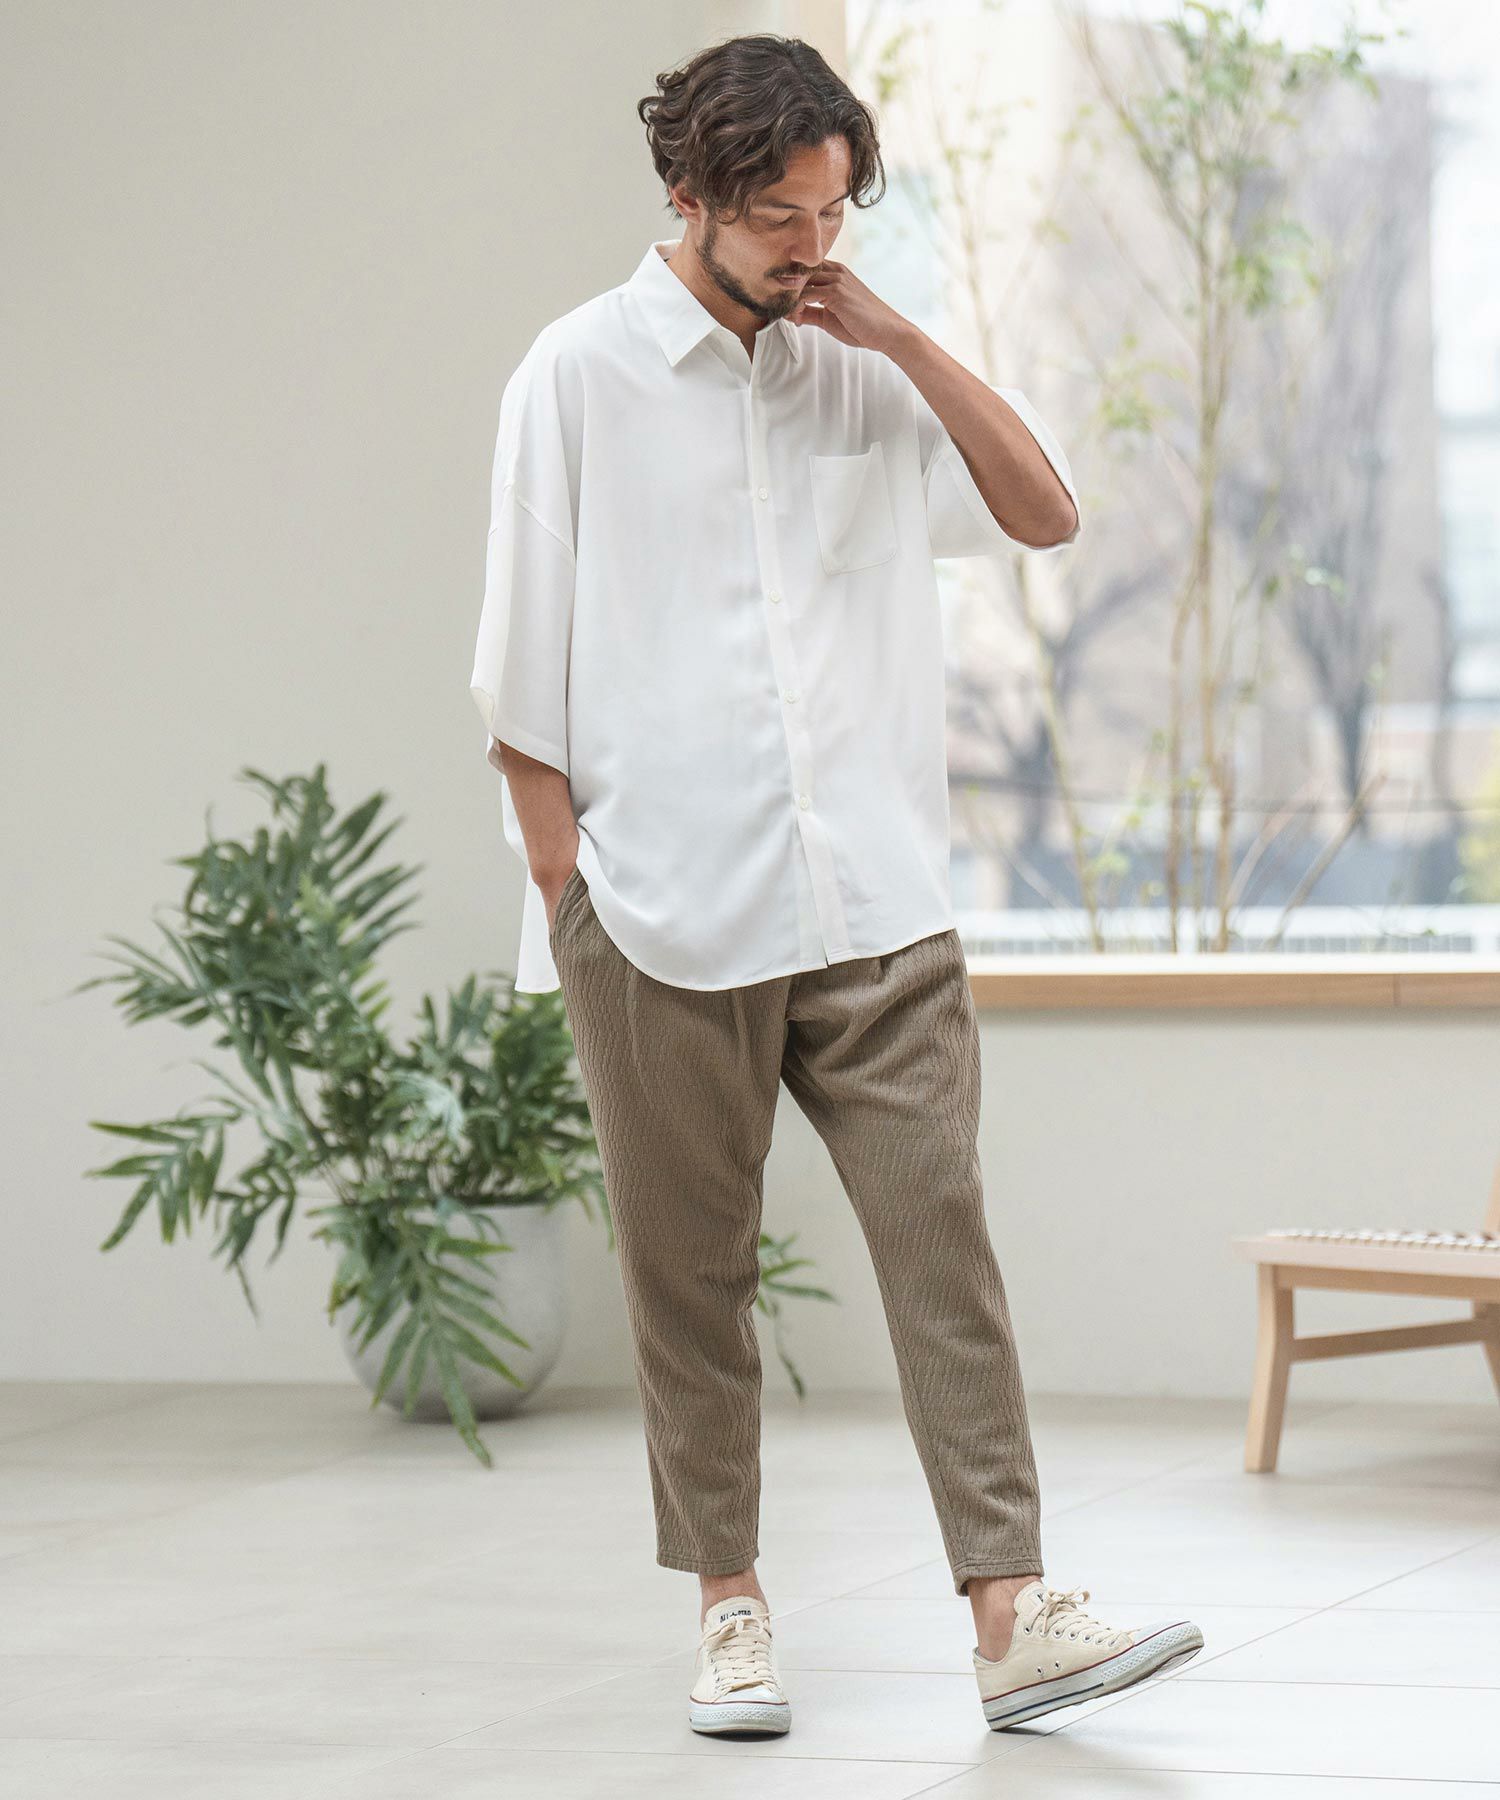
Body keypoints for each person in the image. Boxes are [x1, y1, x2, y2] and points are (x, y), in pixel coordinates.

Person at [469, 31, 1203, 1737]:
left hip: (875, 898)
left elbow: (1045, 514)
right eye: (777, 219)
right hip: (661, 911)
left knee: (945, 1247)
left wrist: (907, 337)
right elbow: (517, 685)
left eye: (830, 212)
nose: (811, 247)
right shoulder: (574, 378)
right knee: (690, 1278)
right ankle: (729, 1606)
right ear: (689, 195)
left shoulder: (862, 364)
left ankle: (1010, 1613)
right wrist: (576, 898)